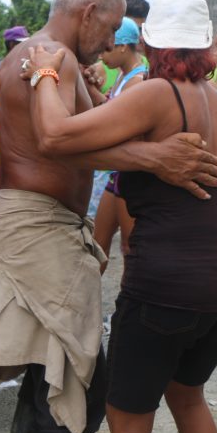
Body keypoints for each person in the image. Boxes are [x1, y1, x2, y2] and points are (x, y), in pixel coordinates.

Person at [0, 0, 217, 433]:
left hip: (36, 220)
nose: (111, 42)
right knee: (79, 369)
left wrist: (91, 89)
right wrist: (155, 158)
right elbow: (54, 139)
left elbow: (85, 129)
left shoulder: (43, 58)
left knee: (51, 355)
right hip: (39, 224)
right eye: (109, 27)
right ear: (87, 12)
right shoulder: (52, 60)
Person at [89, 17, 148, 259]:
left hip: (128, 172)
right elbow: (109, 110)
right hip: (117, 173)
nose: (102, 56)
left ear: (123, 46)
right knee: (98, 246)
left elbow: (114, 125)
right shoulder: (124, 77)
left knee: (130, 247)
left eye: (107, 48)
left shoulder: (137, 81)